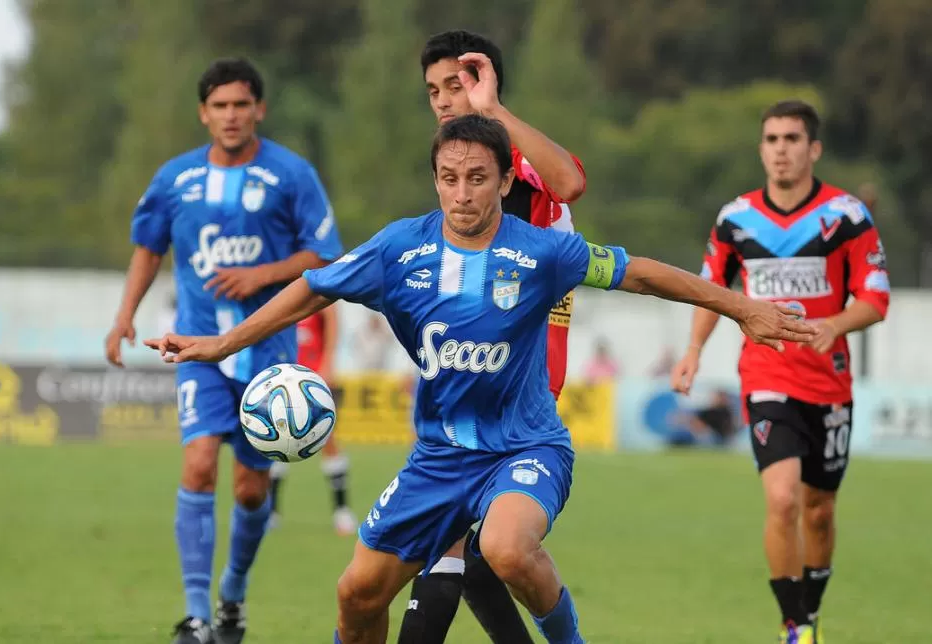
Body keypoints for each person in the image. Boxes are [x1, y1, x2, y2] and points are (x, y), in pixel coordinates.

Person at [146, 114, 818, 644]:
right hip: (438, 460)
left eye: (476, 177)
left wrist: (744, 308)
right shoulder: (399, 249)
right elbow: (313, 288)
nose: (462, 192)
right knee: (356, 596)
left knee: (502, 547)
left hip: (526, 447)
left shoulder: (542, 251)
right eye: (448, 177)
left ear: (503, 181)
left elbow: (642, 271)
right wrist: (222, 343)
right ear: (434, 179)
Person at [104, 57, 343, 644]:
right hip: (197, 349)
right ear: (203, 113)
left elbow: (326, 257)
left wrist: (263, 273)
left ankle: (232, 594)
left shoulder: (292, 174)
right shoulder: (175, 179)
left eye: (242, 104)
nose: (231, 115)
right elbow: (147, 246)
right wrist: (124, 316)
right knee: (198, 463)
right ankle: (195, 615)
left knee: (250, 488)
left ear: (258, 109)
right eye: (220, 106)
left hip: (267, 353)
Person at [670, 99, 890, 644]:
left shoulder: (847, 217)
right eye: (771, 140)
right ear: (761, 149)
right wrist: (694, 349)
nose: (781, 150)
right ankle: (794, 626)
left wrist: (836, 324)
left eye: (792, 139)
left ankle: (810, 612)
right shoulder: (734, 219)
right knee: (783, 498)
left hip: (829, 383)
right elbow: (711, 291)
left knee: (818, 510)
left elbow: (877, 297)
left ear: (812, 149)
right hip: (767, 377)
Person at [402, 29, 587, 644]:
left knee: (464, 548)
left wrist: (495, 111)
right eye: (435, 90)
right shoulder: (461, 175)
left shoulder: (513, 167)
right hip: (465, 380)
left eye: (457, 85)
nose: (445, 100)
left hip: (519, 387)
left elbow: (571, 183)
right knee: (471, 553)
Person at [267, 305, 358, 536]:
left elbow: (332, 320)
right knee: (277, 438)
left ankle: (341, 510)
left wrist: (329, 363)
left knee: (328, 439)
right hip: (285, 378)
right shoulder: (281, 290)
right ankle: (272, 511)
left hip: (313, 378)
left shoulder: (316, 286)